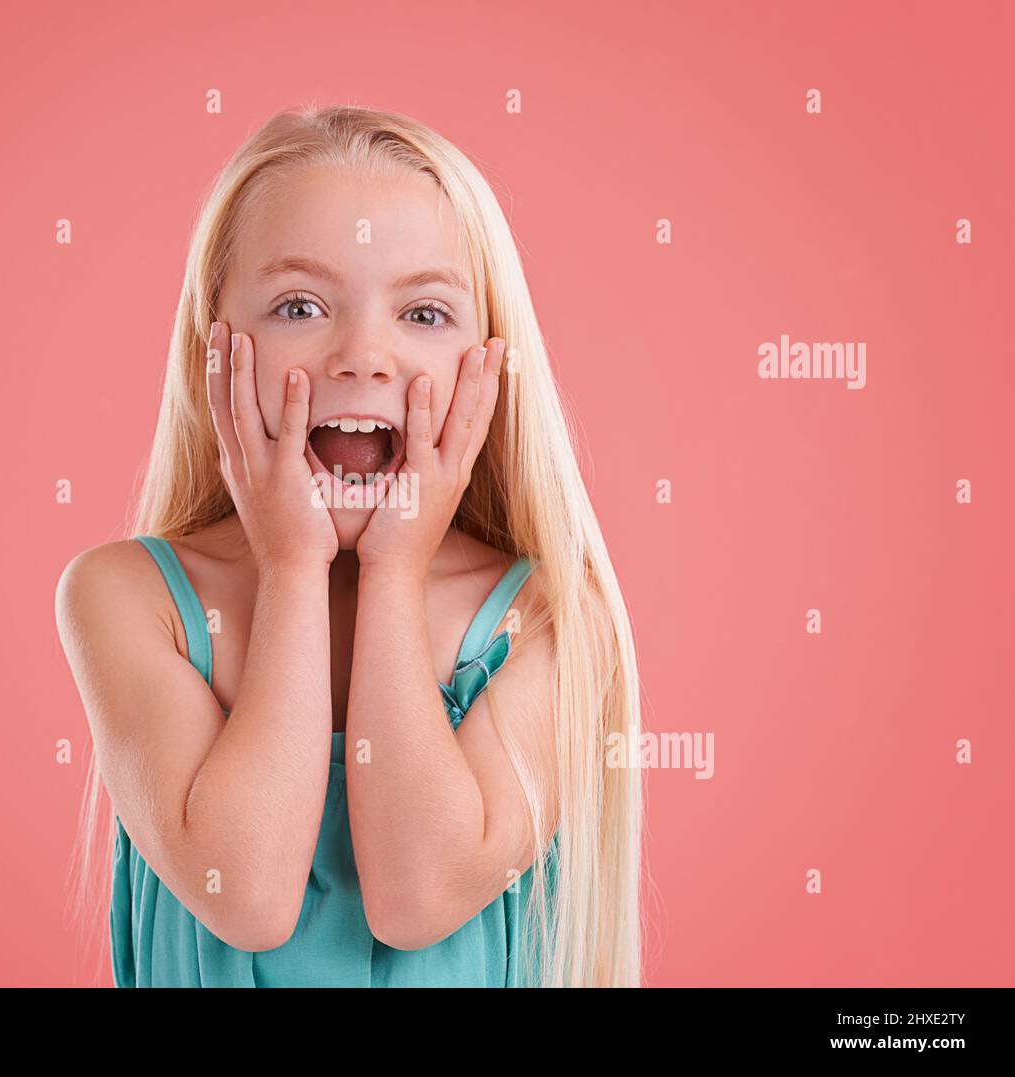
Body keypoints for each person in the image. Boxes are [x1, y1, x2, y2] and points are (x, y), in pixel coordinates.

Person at [56, 105, 642, 987]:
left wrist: (394, 571)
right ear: (213, 349)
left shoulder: (551, 620)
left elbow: (415, 895)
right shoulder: (125, 597)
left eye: (425, 312)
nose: (365, 355)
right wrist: (293, 565)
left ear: (489, 362)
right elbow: (246, 893)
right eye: (300, 305)